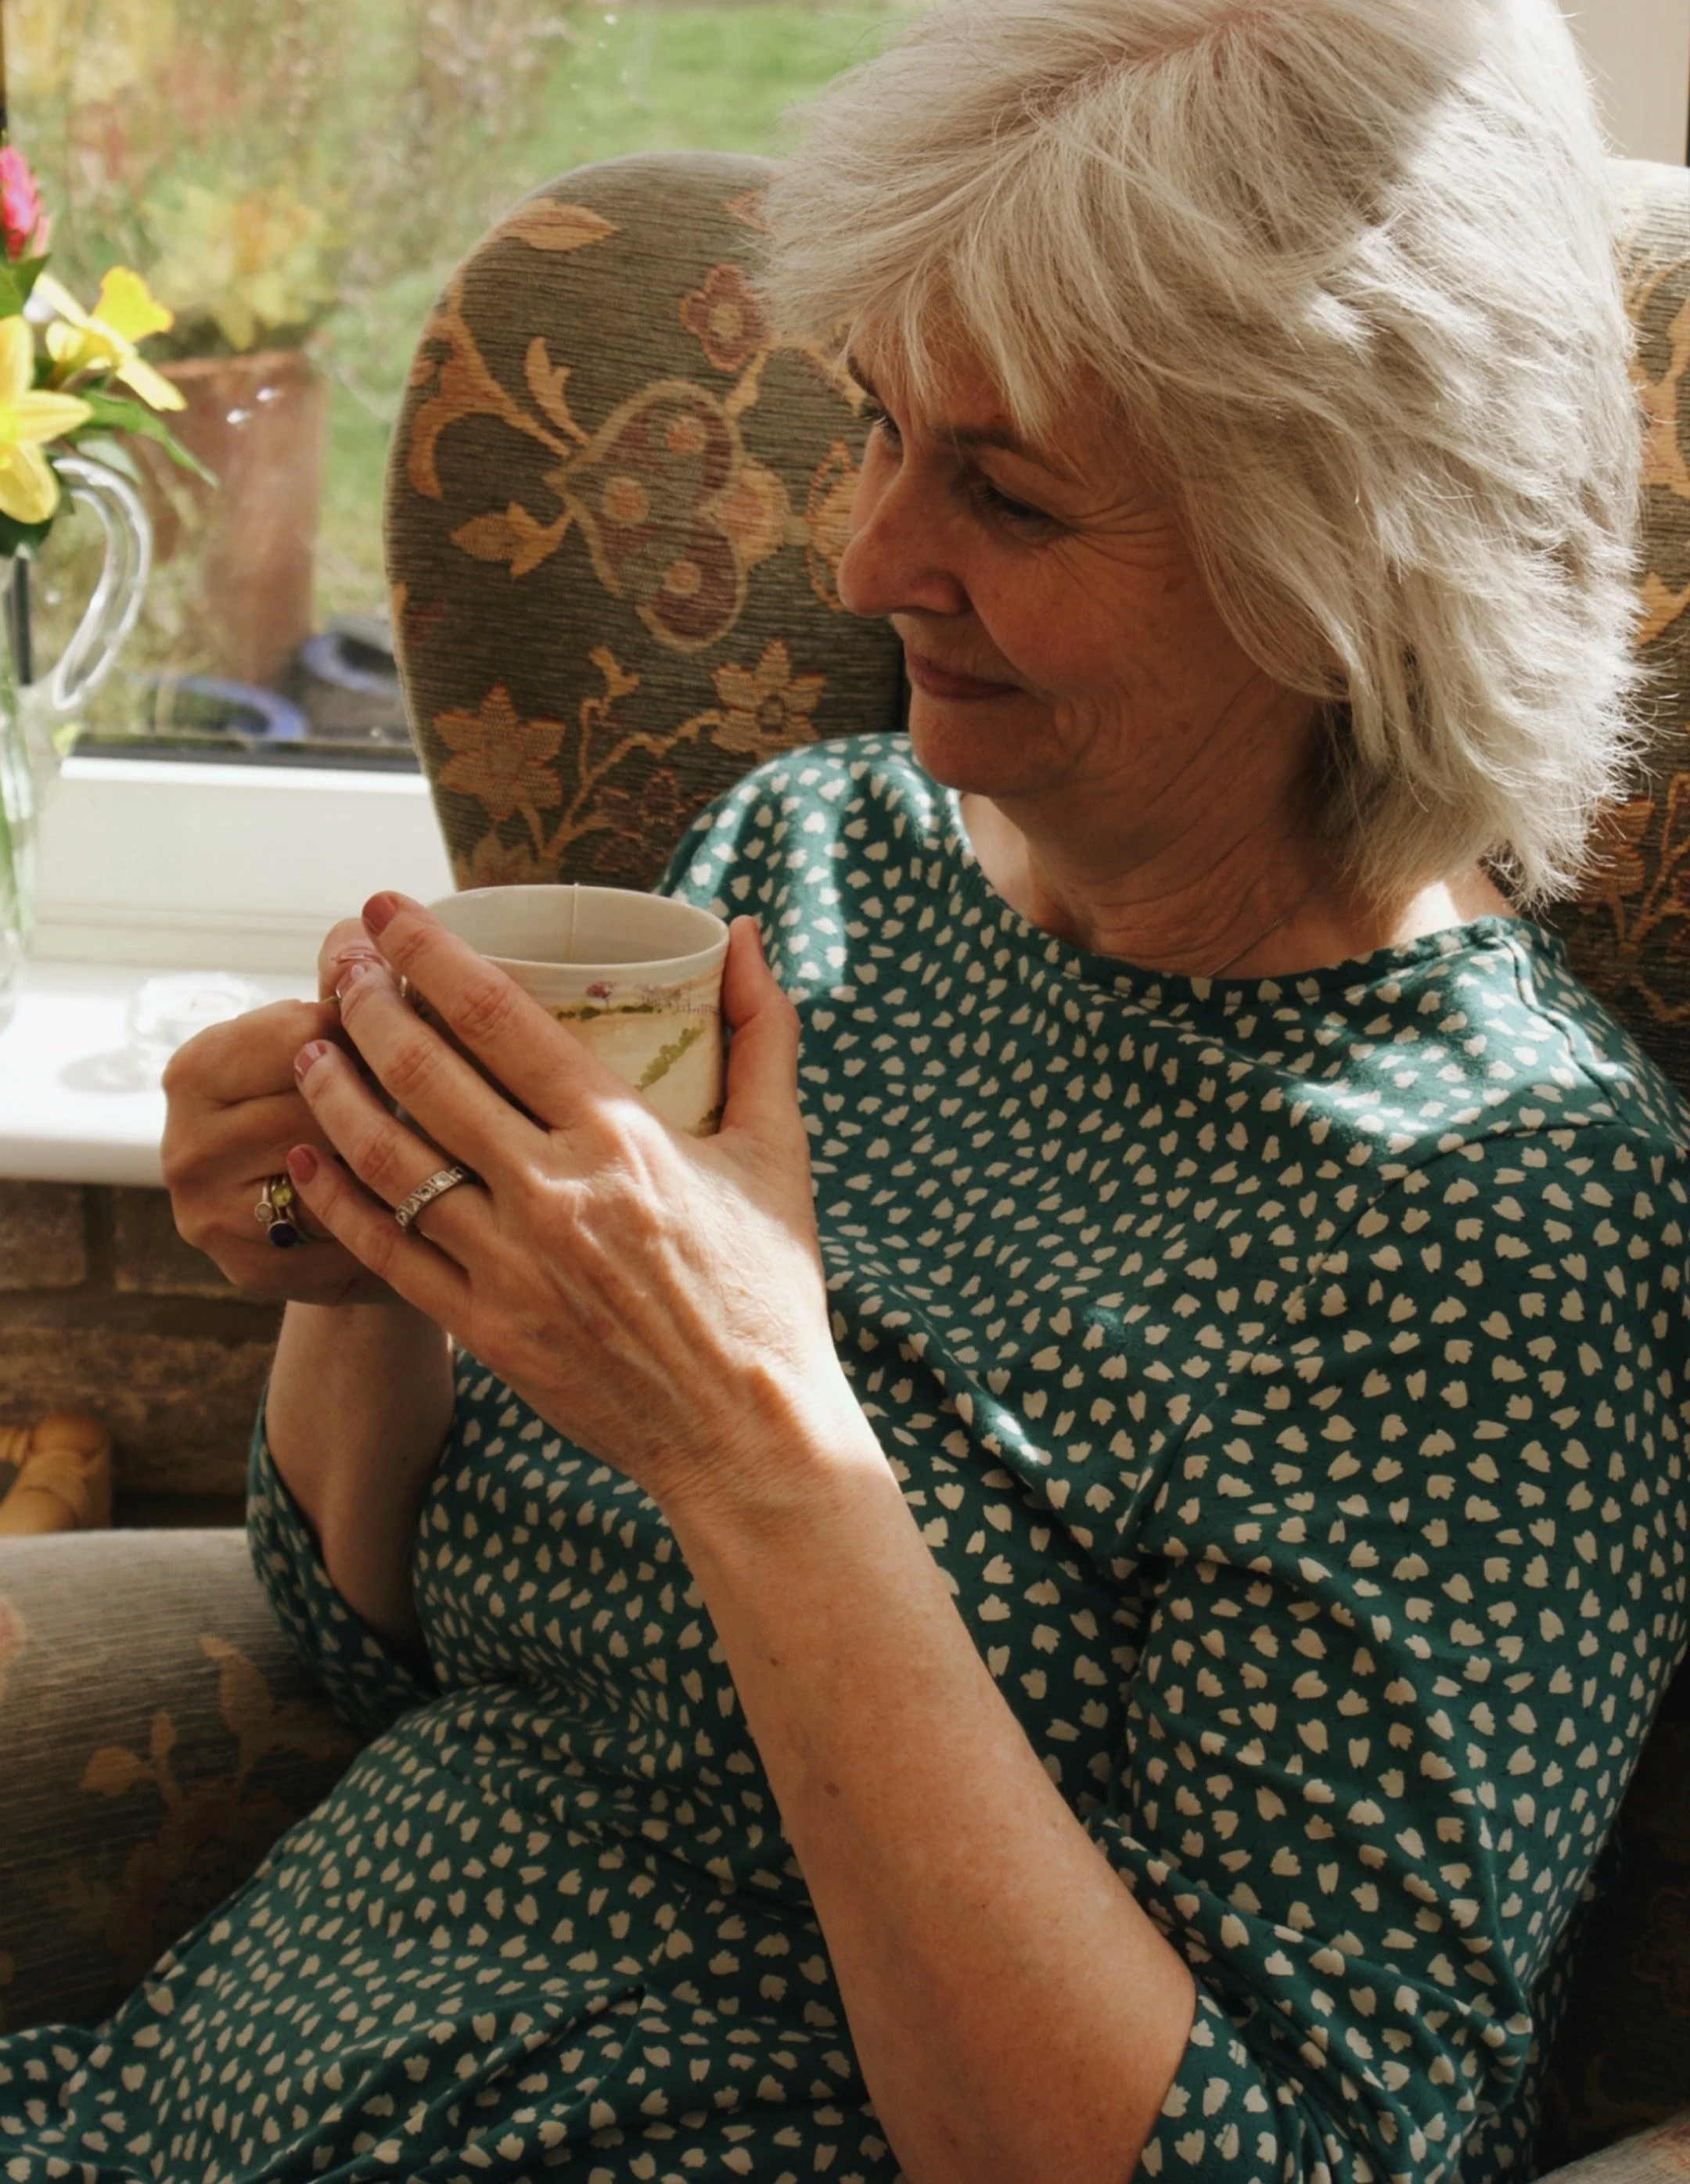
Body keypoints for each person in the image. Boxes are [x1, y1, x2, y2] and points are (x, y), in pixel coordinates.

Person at [2, 1, 1685, 2179]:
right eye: (882, 427)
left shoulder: (1500, 1227)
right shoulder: (810, 860)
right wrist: (364, 1261)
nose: (870, 556)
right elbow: (373, 1631)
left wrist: (759, 1444)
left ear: (1343, 557)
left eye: (1002, 489)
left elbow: (1267, 2157)